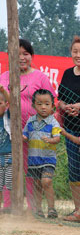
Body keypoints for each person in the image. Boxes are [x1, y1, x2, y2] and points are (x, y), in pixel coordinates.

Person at [0, 39, 56, 210]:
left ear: (32, 56)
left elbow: (52, 103)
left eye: (26, 54)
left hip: (34, 133)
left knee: (32, 170)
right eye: (17, 54)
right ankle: (9, 206)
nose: (22, 58)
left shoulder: (40, 77)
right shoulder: (4, 77)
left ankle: (33, 209)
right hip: (8, 132)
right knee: (8, 168)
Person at [58, 36, 80, 222]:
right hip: (70, 128)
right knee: (75, 170)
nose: (78, 55)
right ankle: (77, 210)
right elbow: (60, 97)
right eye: (75, 51)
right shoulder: (67, 73)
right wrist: (65, 107)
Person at [22, 89, 61, 218]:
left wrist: (51, 140)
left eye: (47, 104)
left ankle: (51, 209)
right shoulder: (30, 121)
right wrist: (22, 137)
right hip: (34, 159)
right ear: (33, 106)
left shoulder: (53, 122)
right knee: (37, 184)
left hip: (48, 159)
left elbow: (57, 138)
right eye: (39, 104)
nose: (43, 107)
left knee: (46, 181)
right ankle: (38, 209)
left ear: (52, 106)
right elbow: (25, 135)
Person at [0, 86, 11, 213]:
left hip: (8, 154)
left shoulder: (8, 116)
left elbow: (13, 104)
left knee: (8, 182)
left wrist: (3, 91)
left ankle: (8, 207)